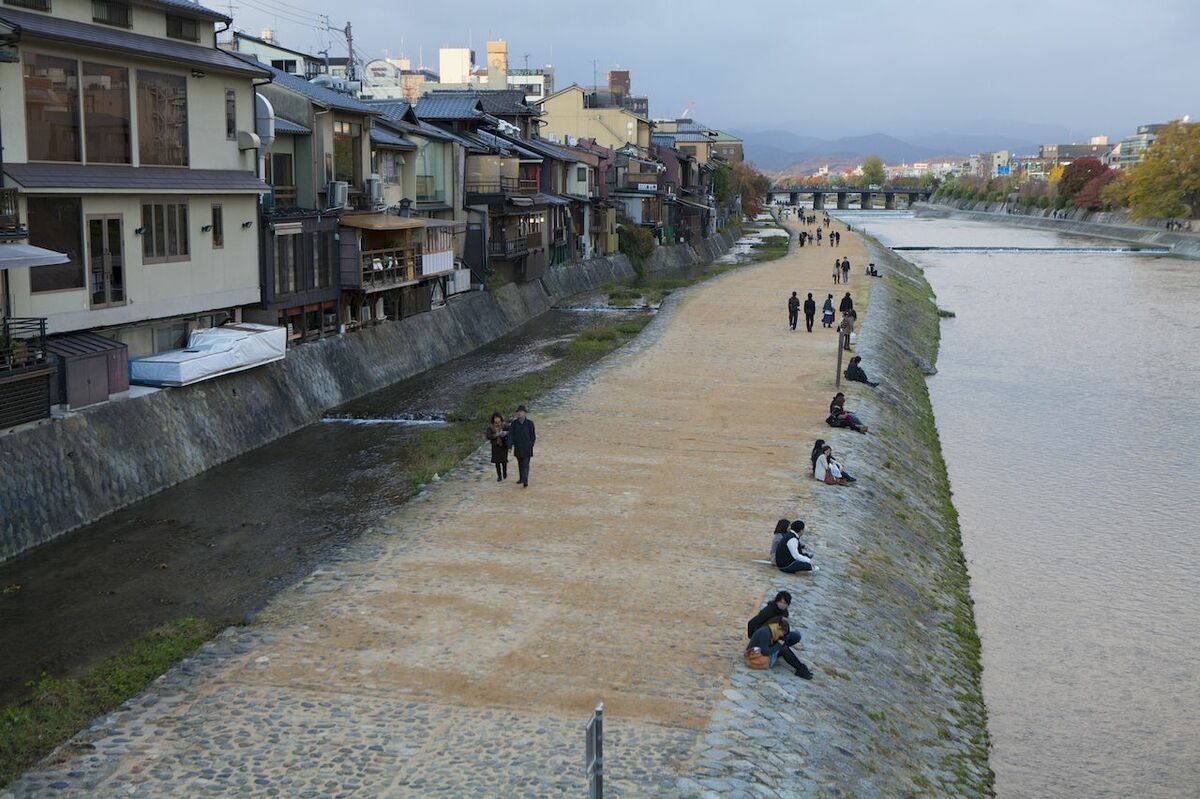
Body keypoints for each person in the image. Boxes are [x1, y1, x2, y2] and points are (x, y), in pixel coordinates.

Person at [746, 614, 813, 680]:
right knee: (784, 649)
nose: (782, 635)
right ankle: (801, 669)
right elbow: (765, 652)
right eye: (783, 633)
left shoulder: (771, 629)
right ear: (779, 628)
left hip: (762, 651)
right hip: (758, 656)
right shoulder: (765, 633)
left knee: (792, 638)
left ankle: (800, 668)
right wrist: (778, 645)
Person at [509, 404, 536, 487]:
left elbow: (533, 436)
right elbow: (511, 435)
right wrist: (510, 446)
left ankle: (525, 480)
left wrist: (531, 444)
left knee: (526, 464)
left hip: (527, 447)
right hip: (518, 447)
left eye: (521, 412)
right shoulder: (514, 423)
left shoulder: (530, 423)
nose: (520, 413)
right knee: (520, 463)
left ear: (525, 413)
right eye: (518, 412)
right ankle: (521, 478)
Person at [485, 412, 510, 481]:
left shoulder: (505, 425)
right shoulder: (490, 427)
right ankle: (499, 476)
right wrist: (496, 435)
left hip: (503, 445)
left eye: (498, 419)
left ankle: (505, 472)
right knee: (497, 462)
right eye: (495, 419)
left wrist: (505, 433)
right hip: (495, 446)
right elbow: (488, 436)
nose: (497, 421)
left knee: (504, 460)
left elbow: (511, 431)